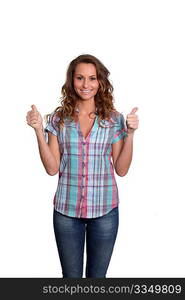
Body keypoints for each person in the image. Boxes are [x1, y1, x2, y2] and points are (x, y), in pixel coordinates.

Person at [26, 54, 139, 278]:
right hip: (66, 211)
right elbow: (51, 168)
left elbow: (122, 169)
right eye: (80, 78)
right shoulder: (60, 119)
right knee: (71, 280)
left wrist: (131, 134)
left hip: (105, 211)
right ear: (72, 81)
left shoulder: (113, 119)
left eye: (92, 78)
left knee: (97, 280)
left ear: (100, 82)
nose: (86, 85)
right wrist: (39, 131)